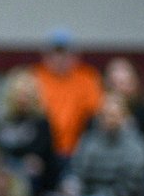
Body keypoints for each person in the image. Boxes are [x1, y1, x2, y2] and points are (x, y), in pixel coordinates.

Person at [31, 28, 103, 160]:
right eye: (55, 52)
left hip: (80, 151)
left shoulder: (87, 78)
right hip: (42, 152)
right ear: (46, 55)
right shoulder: (35, 77)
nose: (60, 58)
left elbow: (96, 112)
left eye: (65, 53)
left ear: (74, 56)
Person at [0, 65, 56, 196]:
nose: (22, 98)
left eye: (26, 94)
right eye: (19, 93)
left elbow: (43, 151)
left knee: (30, 168)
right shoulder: (0, 120)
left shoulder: (41, 122)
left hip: (33, 177)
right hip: (4, 168)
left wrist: (17, 153)